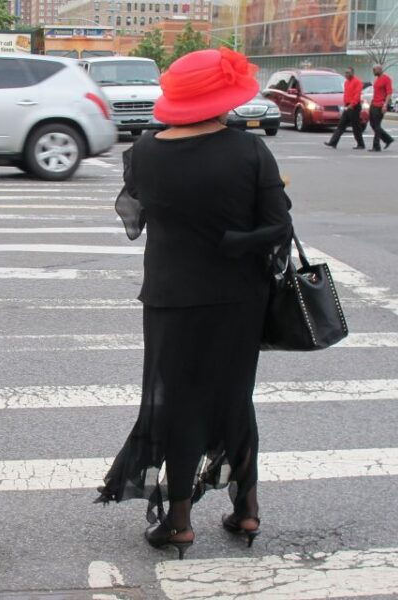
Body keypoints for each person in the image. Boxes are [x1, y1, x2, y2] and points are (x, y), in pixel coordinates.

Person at [97, 47, 293, 559]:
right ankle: (246, 508)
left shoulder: (144, 151)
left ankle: (179, 520)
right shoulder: (250, 151)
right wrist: (234, 241)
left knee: (177, 399)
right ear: (223, 100)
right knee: (235, 396)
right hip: (238, 298)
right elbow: (279, 228)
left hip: (170, 295)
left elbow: (136, 218)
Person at [324, 67, 365, 150]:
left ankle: (361, 144)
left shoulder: (357, 82)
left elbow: (357, 95)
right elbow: (346, 95)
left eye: (348, 72)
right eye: (345, 73)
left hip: (354, 107)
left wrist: (352, 105)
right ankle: (333, 142)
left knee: (356, 126)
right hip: (347, 106)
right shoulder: (346, 82)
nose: (346, 74)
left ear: (352, 73)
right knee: (341, 125)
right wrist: (345, 105)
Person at [368, 64, 394, 152]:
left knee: (377, 125)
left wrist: (385, 105)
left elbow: (389, 93)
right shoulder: (377, 79)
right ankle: (388, 139)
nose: (373, 72)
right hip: (374, 104)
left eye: (374, 70)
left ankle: (376, 146)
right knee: (372, 124)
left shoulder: (386, 79)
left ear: (379, 69)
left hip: (380, 105)